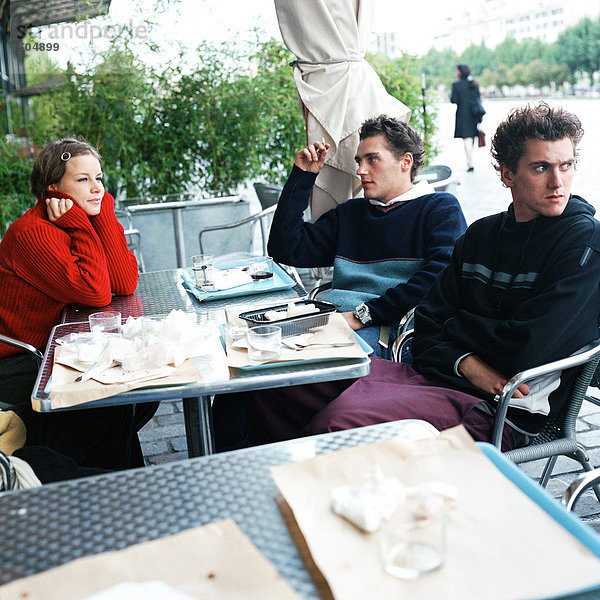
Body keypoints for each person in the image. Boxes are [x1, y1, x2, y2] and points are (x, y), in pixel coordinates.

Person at [229, 102, 600, 452]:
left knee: (339, 424)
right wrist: (466, 361)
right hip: (437, 378)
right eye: (541, 168)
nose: (558, 182)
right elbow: (427, 325)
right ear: (507, 174)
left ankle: (321, 501)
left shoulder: (584, 242)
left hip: (499, 410)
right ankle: (264, 496)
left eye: (566, 166)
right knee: (268, 388)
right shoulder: (482, 235)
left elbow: (525, 348)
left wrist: (453, 338)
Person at [0, 137, 156, 472]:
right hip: (20, 361)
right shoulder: (33, 233)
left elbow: (125, 282)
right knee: (109, 404)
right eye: (82, 179)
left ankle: (121, 483)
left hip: (55, 348)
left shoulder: (82, 216)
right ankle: (115, 487)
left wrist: (102, 215)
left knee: (140, 392)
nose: (97, 188)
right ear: (53, 187)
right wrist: (79, 223)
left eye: (99, 178)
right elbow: (95, 292)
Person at [267, 115, 467, 359]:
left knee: (293, 368)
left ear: (405, 162)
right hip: (331, 320)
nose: (361, 170)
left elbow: (440, 278)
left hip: (388, 331)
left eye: (372, 159)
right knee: (256, 358)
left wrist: (364, 315)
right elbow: (285, 248)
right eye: (359, 161)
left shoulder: (440, 208)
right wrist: (302, 176)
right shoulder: (351, 213)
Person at [451, 63, 484, 172]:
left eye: (457, 71)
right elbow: (478, 98)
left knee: (467, 139)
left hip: (462, 115)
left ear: (461, 72)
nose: (456, 73)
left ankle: (470, 163)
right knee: (470, 138)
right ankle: (470, 161)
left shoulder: (456, 85)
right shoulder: (474, 84)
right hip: (474, 114)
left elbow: (453, 100)